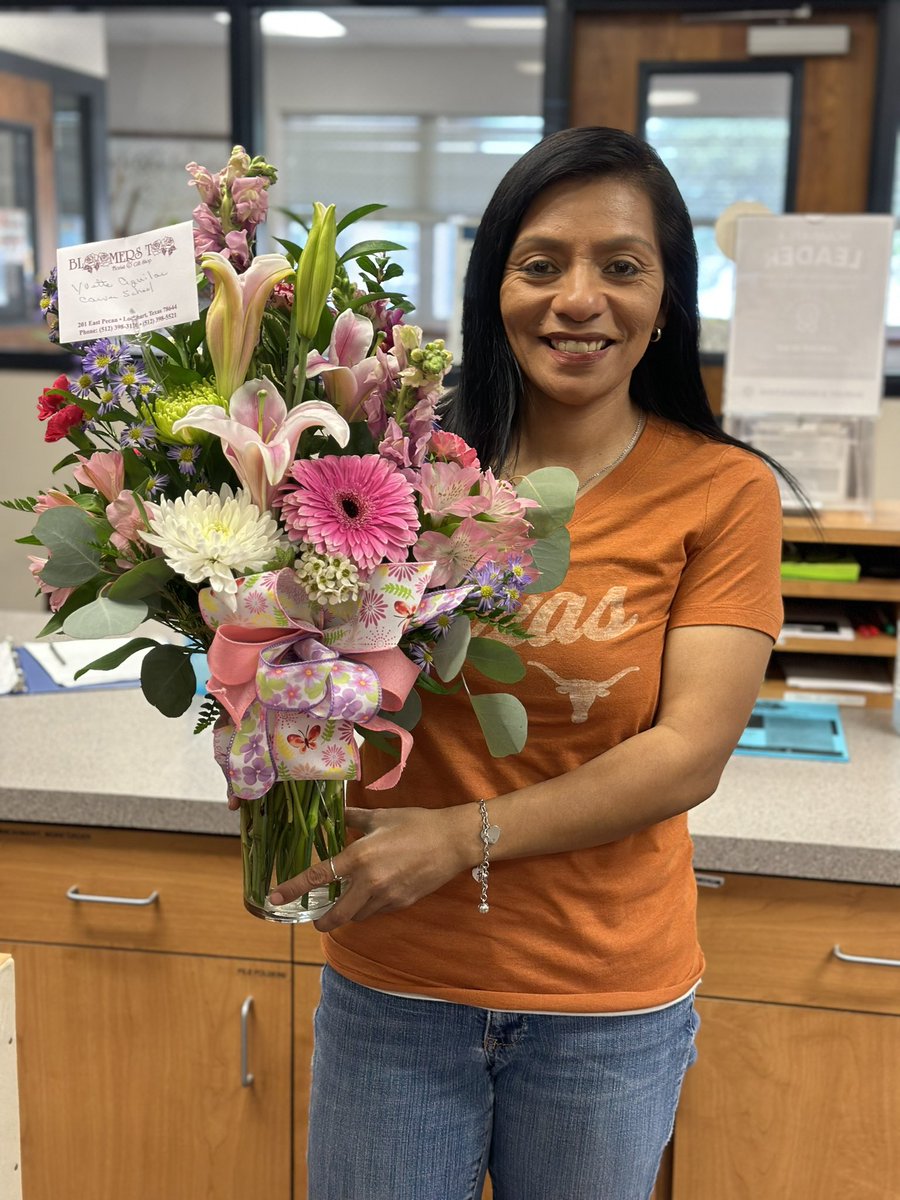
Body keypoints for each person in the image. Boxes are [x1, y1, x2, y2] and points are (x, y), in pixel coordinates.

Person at [272, 126, 788, 1200]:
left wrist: (459, 839)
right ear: (494, 281)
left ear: (667, 295)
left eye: (622, 266)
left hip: (606, 1003)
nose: (579, 299)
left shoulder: (724, 492)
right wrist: (277, 786)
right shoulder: (398, 468)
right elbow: (306, 659)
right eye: (542, 263)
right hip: (397, 982)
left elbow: (689, 754)